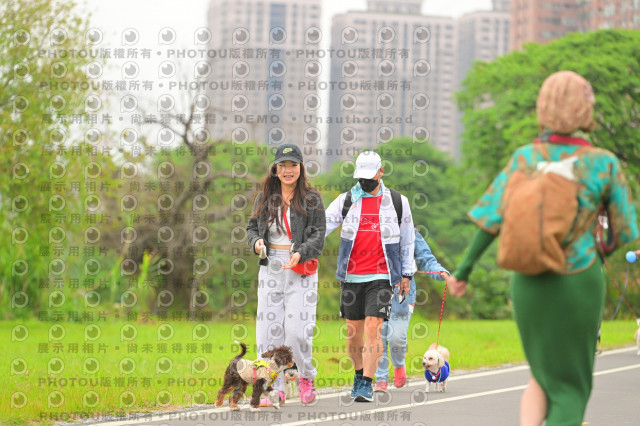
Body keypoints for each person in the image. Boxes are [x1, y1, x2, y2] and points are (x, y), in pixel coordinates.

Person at [448, 71, 638, 426]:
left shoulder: (524, 158)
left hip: (528, 281)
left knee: (542, 375)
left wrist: (463, 272)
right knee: (570, 390)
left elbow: (490, 221)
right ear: (584, 108)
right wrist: (600, 249)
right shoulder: (603, 162)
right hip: (579, 278)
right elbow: (624, 228)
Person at [325, 150, 416, 402]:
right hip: (352, 276)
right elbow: (322, 226)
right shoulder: (347, 200)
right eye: (361, 177)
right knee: (353, 333)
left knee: (374, 328)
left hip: (382, 276)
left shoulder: (397, 202)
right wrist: (299, 248)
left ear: (381, 172)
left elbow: (407, 240)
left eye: (369, 176)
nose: (365, 182)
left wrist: (406, 274)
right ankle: (358, 375)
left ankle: (366, 382)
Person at [246, 144, 326, 406]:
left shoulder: (312, 198)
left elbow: (318, 235)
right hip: (271, 267)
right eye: (283, 165)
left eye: (293, 165)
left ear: (301, 167)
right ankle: (274, 386)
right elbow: (251, 228)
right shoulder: (265, 197)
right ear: (275, 168)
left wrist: (301, 253)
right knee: (268, 332)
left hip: (299, 269)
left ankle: (306, 375)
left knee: (296, 332)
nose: (288, 170)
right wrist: (257, 242)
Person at [373, 228, 451, 392]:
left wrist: (439, 271)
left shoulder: (410, 232)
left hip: (403, 293)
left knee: (396, 337)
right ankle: (381, 378)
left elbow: (426, 259)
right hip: (374, 290)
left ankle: (398, 365)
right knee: (378, 336)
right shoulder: (372, 229)